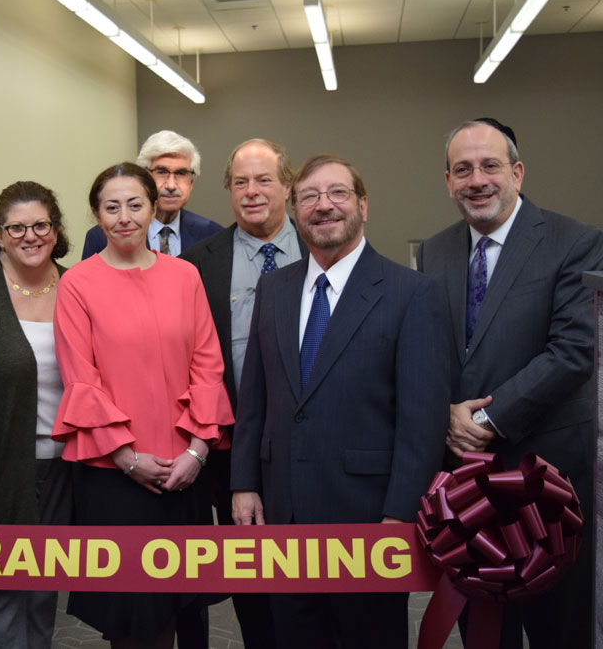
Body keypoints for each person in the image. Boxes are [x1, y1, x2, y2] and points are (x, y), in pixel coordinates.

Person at [231, 154, 450, 649]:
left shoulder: (412, 293)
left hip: (367, 520)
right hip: (283, 515)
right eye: (308, 196)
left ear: (363, 205)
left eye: (337, 194)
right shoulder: (274, 288)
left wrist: (400, 515)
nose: (323, 206)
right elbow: (255, 398)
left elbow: (421, 420)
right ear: (294, 209)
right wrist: (244, 482)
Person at [416, 118, 603, 649]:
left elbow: (573, 352)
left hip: (548, 483)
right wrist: (446, 412)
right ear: (448, 181)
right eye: (463, 169)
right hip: (468, 488)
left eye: (490, 166)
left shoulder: (577, 242)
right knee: (483, 632)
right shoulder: (435, 251)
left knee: (558, 631)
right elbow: (432, 351)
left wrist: (483, 419)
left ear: (517, 173)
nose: (477, 180)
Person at [53, 162, 232, 648]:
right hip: (116, 475)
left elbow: (207, 366)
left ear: (154, 210)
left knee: (189, 613)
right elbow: (81, 381)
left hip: (184, 470)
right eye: (111, 207)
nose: (124, 217)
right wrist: (128, 459)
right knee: (134, 623)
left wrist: (197, 451)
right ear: (96, 215)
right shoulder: (77, 284)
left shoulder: (185, 276)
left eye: (135, 205)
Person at [181, 138, 306, 648]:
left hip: (310, 444)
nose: (251, 193)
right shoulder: (197, 264)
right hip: (230, 447)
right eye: (240, 183)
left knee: (314, 574)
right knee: (250, 572)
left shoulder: (325, 244)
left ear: (288, 186)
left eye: (263, 180)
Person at [0, 181, 75, 648]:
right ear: (0, 235)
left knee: (45, 591)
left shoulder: (78, 287)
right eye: (17, 227)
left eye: (41, 224)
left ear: (56, 229)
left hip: (64, 469)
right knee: (3, 596)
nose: (31, 236)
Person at [81, 130, 222, 258]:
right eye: (161, 172)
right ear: (144, 180)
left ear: (191, 182)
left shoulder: (212, 235)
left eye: (181, 173)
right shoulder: (101, 237)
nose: (171, 185)